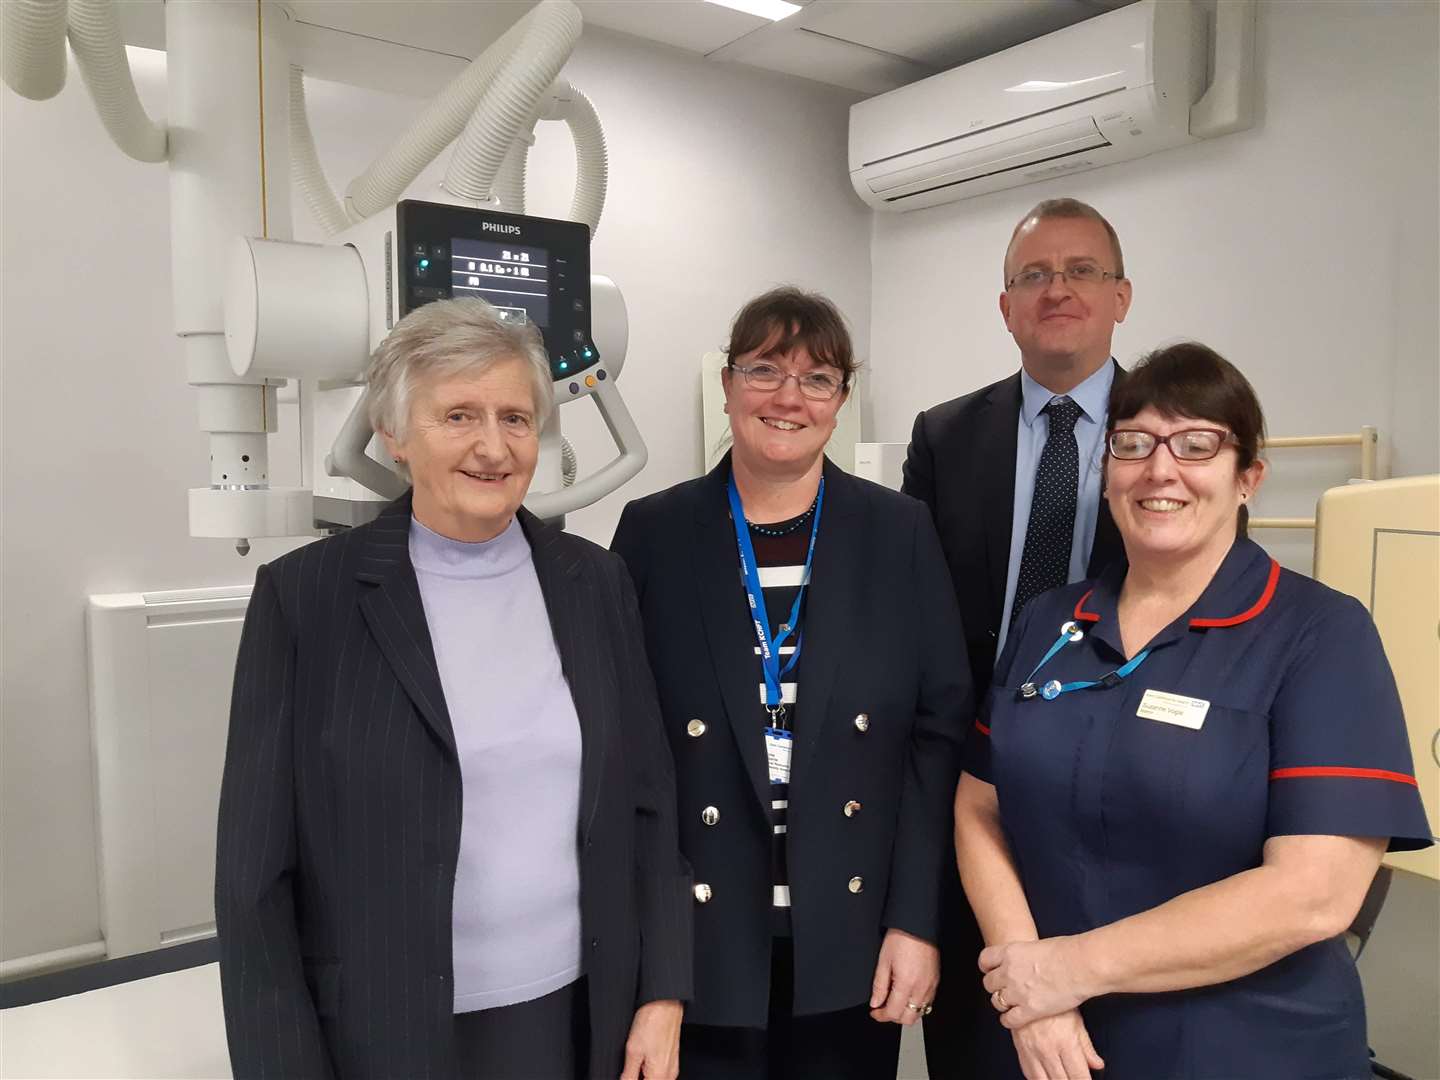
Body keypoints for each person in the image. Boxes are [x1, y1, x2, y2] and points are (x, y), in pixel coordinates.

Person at [215, 297, 692, 1080]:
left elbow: (650, 799)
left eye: (514, 417)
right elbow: (253, 877)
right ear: (396, 436)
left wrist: (663, 992)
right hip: (386, 1028)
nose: (493, 446)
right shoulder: (309, 599)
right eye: (459, 415)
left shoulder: (593, 583)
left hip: (580, 1015)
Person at [955, 342, 1432, 1080]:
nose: (1160, 469)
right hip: (1043, 1039)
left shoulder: (1319, 635)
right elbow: (978, 805)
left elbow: (1316, 893)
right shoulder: (1051, 622)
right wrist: (1032, 983)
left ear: (1249, 478)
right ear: (1107, 473)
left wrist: (1069, 970)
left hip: (1239, 1046)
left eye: (1198, 444)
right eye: (1133, 444)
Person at [611, 286, 971, 1079]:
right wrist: (647, 959)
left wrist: (918, 920)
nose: (788, 397)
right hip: (698, 947)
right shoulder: (655, 531)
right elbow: (625, 754)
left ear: (843, 399)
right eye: (765, 369)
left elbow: (936, 736)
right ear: (729, 384)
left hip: (849, 935)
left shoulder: (898, 531)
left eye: (818, 379)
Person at [901, 197, 1134, 1077]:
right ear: (1005, 306)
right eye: (1033, 274)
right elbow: (916, 615)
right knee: (973, 1033)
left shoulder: (1170, 438)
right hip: (971, 776)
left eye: (1081, 271)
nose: (1057, 289)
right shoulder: (945, 435)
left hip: (1114, 779)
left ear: (1121, 295)